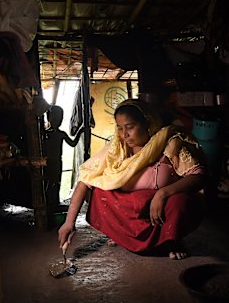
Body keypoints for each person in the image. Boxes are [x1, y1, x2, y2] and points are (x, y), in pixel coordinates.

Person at [57, 98, 208, 259]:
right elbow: (86, 180)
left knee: (181, 203)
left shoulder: (169, 143)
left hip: (158, 209)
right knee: (99, 193)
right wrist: (69, 222)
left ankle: (171, 240)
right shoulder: (117, 148)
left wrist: (163, 193)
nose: (124, 135)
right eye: (119, 128)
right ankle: (121, 234)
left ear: (147, 124)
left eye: (130, 127)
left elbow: (198, 175)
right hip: (130, 208)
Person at [43, 106, 84, 218]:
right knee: (50, 183)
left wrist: (80, 131)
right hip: (48, 162)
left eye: (60, 118)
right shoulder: (46, 134)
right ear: (49, 118)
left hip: (56, 162)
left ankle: (54, 203)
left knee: (56, 183)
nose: (58, 121)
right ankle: (50, 204)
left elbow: (73, 143)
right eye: (56, 118)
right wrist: (80, 131)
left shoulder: (56, 134)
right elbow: (73, 143)